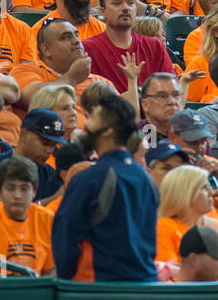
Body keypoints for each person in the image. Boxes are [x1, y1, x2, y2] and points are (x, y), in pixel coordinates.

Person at [53, 90, 158, 281]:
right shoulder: (146, 178)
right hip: (145, 284)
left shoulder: (90, 178)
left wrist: (66, 284)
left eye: (92, 118)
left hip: (99, 290)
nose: (86, 124)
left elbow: (65, 239)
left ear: (108, 130)